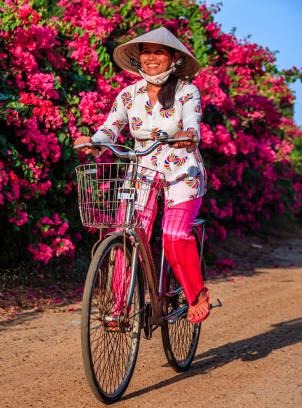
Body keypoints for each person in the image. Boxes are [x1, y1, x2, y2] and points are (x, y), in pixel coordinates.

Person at [74, 27, 210, 323]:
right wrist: (94, 142)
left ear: (173, 58)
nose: (151, 58)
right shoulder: (129, 94)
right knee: (124, 236)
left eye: (158, 52)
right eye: (146, 52)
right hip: (143, 172)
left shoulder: (187, 91)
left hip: (181, 172)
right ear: (138, 58)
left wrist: (189, 135)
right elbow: (111, 127)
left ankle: (195, 292)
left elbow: (192, 121)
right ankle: (118, 307)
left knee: (174, 236)